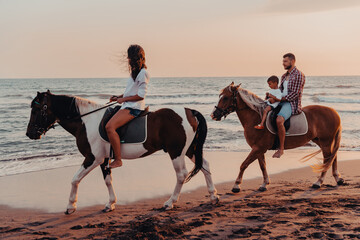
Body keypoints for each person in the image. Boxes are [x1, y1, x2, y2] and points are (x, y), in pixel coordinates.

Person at [106, 44, 150, 168]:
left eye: (129, 57)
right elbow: (130, 92)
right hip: (127, 105)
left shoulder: (143, 73)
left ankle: (118, 159)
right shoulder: (134, 73)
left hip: (134, 108)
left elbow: (141, 95)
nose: (128, 60)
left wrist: (123, 99)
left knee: (110, 127)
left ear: (135, 57)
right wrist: (118, 97)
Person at [268, 53, 305, 158]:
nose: (283, 64)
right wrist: (272, 96)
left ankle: (281, 148)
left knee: (279, 120)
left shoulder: (299, 75)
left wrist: (277, 99)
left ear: (292, 61)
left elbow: (294, 94)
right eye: (283, 61)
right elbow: (280, 90)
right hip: (281, 100)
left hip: (291, 103)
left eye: (285, 61)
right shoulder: (284, 76)